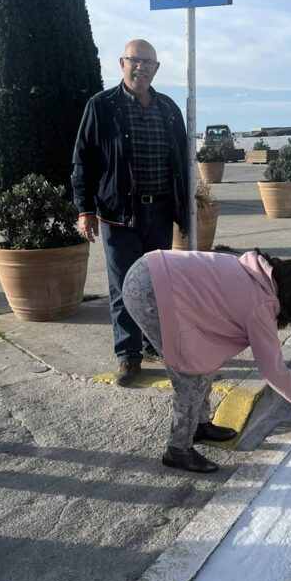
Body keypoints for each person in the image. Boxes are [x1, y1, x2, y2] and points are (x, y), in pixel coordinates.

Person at [122, 249, 291, 473]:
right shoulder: (260, 305)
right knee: (190, 375)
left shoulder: (255, 273)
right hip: (151, 290)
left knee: (201, 359)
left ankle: (199, 426)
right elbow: (273, 370)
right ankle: (178, 449)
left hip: (149, 269)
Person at [71, 40, 189, 386]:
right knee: (124, 286)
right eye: (134, 60)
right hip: (118, 214)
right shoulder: (102, 106)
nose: (141, 68)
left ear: (156, 68)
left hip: (160, 212)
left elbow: (181, 161)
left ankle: (155, 344)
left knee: (159, 285)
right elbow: (83, 160)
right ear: (122, 63)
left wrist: (184, 210)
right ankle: (128, 354)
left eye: (148, 62)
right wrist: (84, 209)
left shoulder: (168, 108)